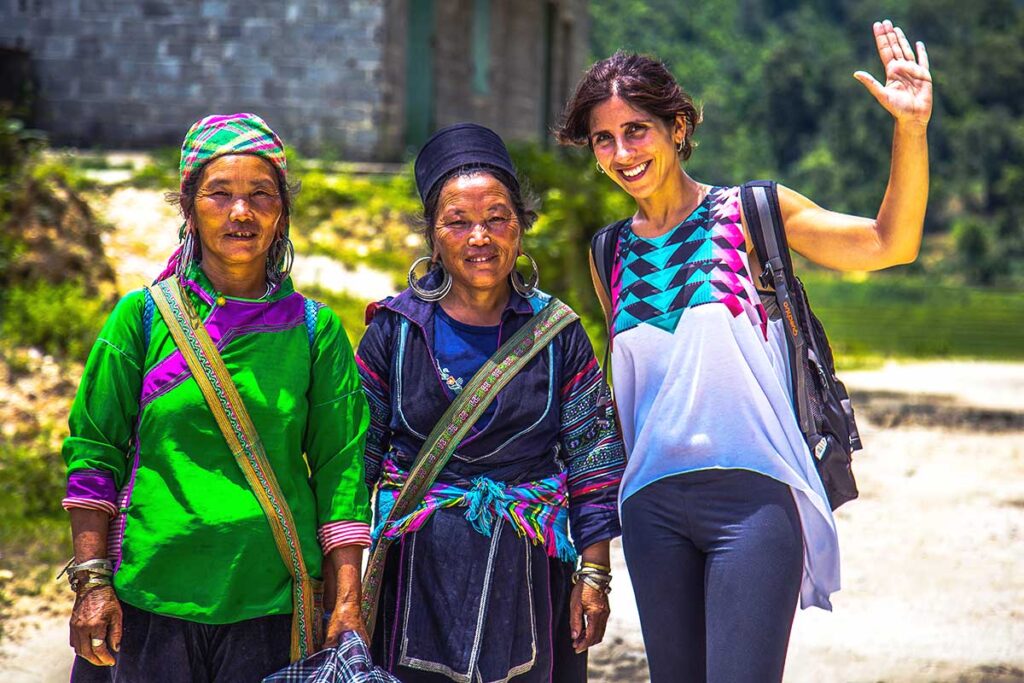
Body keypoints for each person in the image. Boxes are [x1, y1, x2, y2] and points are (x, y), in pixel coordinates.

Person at [554, 20, 931, 683]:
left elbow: (887, 243)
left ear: (677, 125)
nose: (621, 152)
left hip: (753, 499)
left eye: (635, 130)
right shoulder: (608, 251)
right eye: (603, 140)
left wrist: (910, 129)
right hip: (650, 505)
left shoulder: (750, 213)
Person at [61, 113, 371, 682]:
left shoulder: (314, 331)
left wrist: (346, 600)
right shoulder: (142, 318)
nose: (240, 212)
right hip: (148, 601)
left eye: (260, 195)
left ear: (282, 214)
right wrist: (92, 582)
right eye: (219, 194)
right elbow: (93, 453)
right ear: (189, 208)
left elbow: (341, 472)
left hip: (273, 605)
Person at [355, 122, 627, 682]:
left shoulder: (557, 334)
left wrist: (594, 576)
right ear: (433, 234)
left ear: (520, 229)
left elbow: (593, 459)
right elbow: (353, 462)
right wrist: (342, 589)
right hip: (415, 577)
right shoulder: (394, 331)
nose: (480, 236)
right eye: (457, 222)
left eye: (497, 218)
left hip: (528, 576)